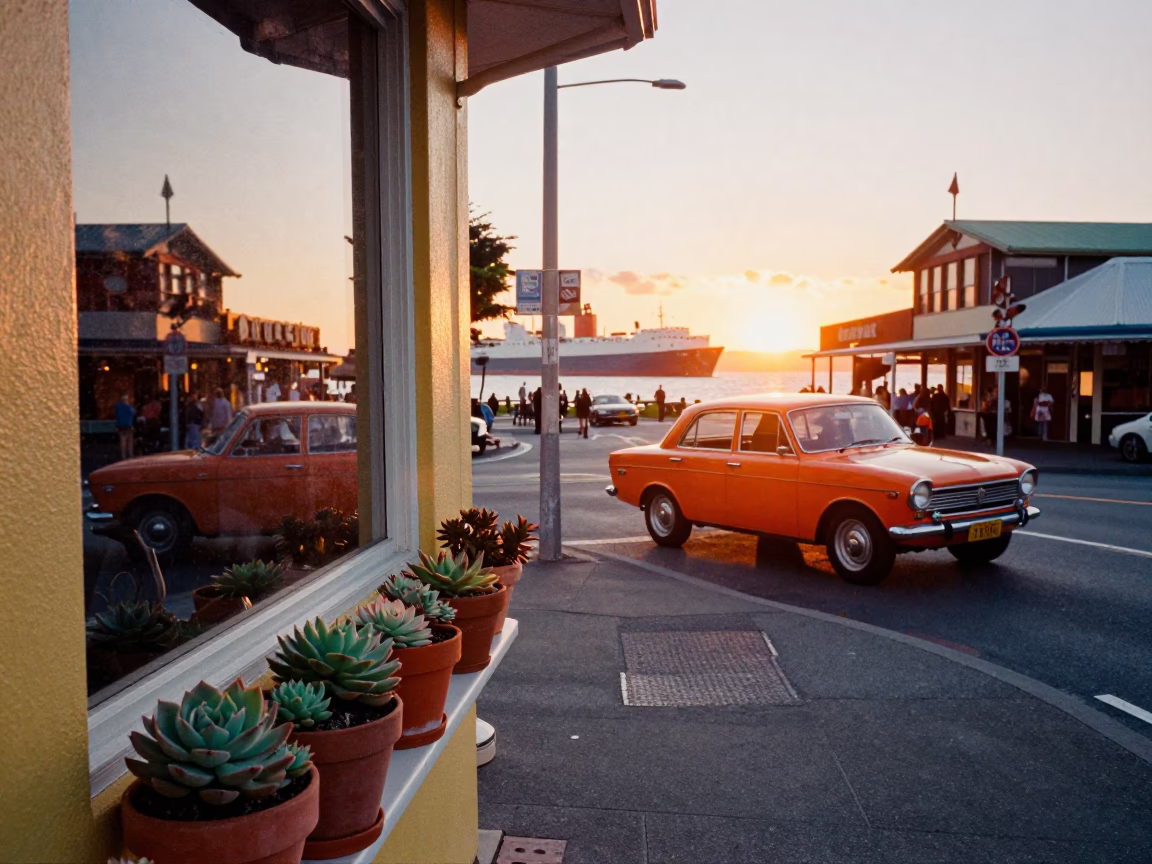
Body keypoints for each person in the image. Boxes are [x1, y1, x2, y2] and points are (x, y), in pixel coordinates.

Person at [115, 394, 136, 460]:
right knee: (130, 441)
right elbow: (133, 413)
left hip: (121, 426)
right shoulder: (129, 407)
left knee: (122, 441)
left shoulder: (118, 407)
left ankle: (123, 456)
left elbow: (117, 416)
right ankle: (130, 455)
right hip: (128, 426)